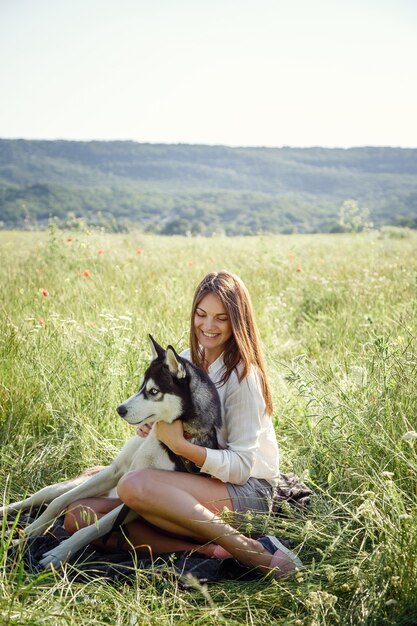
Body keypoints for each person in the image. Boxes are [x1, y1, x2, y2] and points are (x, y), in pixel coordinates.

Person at [64, 271, 302, 578]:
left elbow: (242, 466)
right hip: (189, 479)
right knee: (77, 517)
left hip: (246, 491)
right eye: (201, 315)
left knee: (134, 484)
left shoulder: (243, 377)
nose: (208, 326)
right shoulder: (185, 362)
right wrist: (153, 425)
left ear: (237, 322)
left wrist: (180, 445)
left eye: (221, 318)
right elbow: (170, 414)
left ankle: (252, 551)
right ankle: (210, 550)